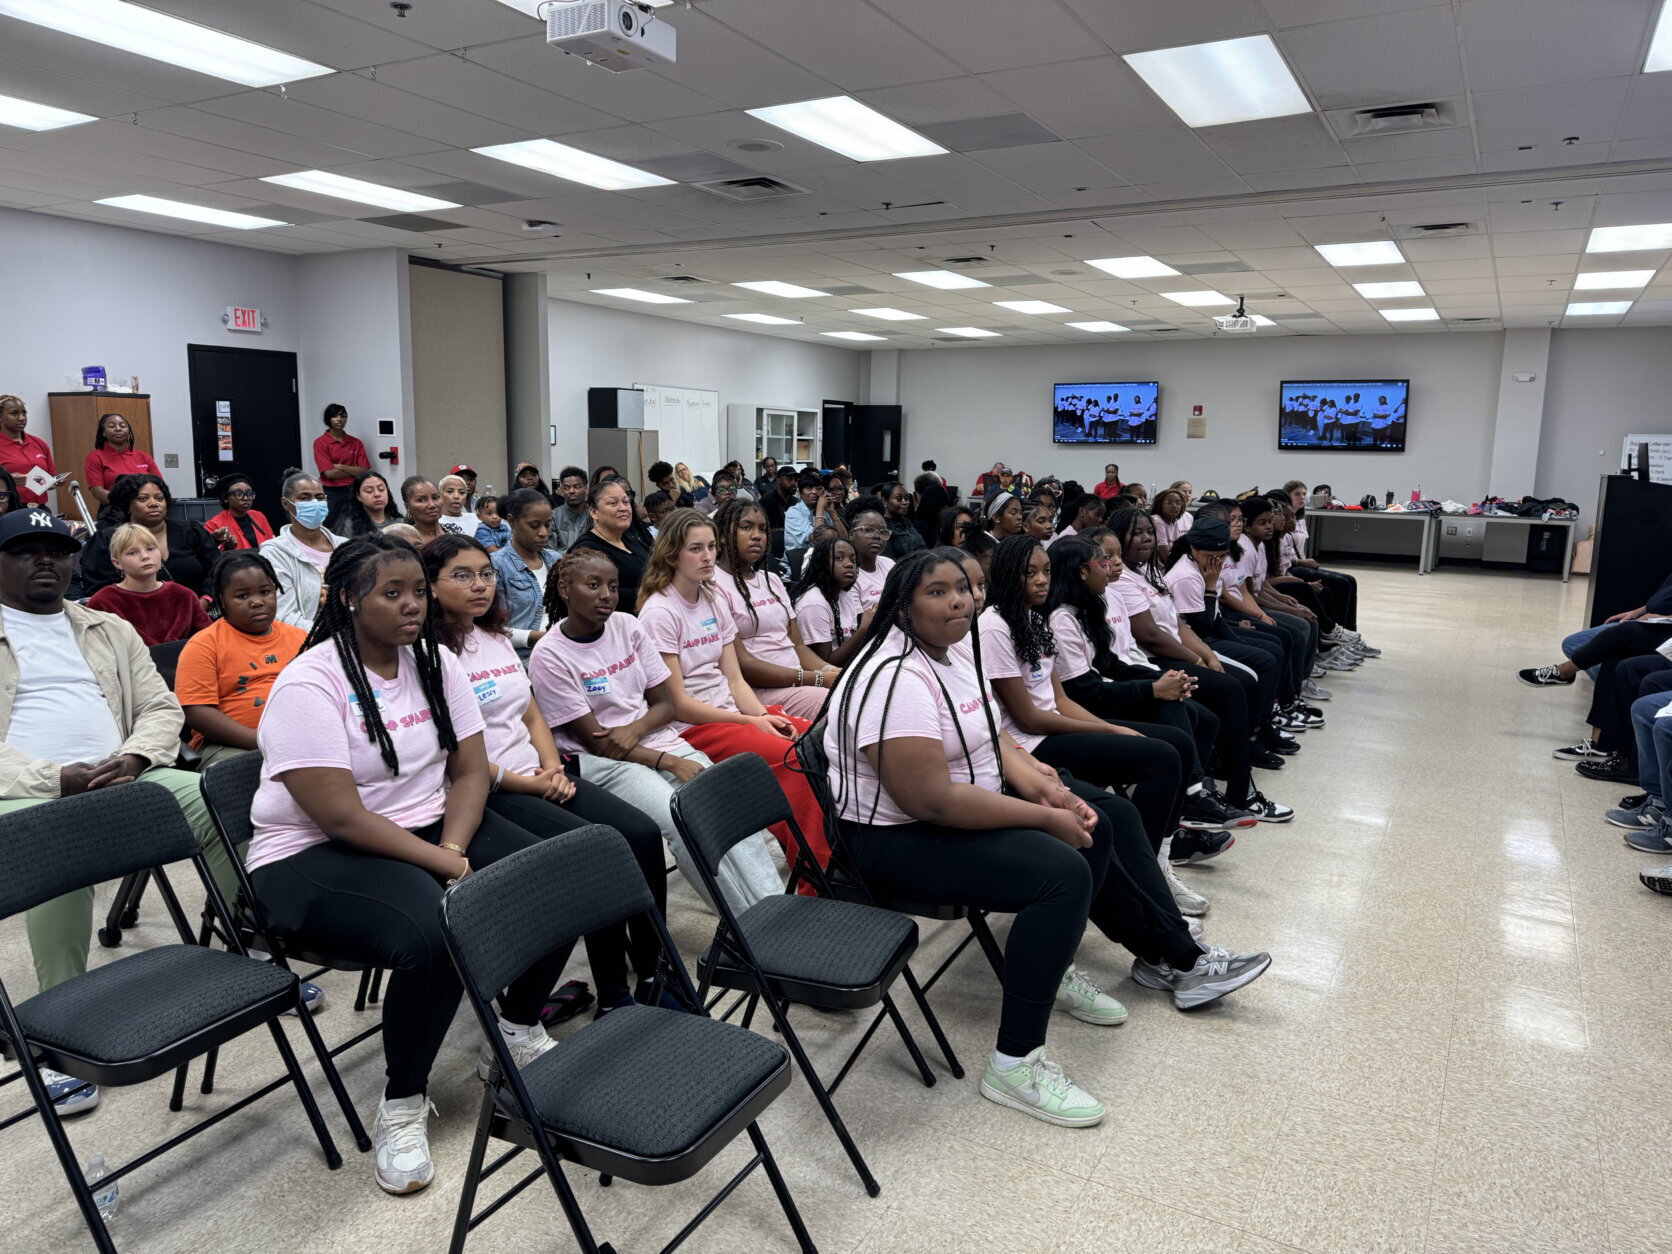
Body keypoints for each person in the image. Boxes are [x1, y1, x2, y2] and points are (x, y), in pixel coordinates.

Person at [246, 534, 568, 1196]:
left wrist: (450, 851)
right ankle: (401, 1100)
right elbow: (339, 816)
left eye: (418, 591)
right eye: (392, 594)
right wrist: (445, 869)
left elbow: (471, 770)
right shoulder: (309, 682)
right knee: (437, 930)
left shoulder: (436, 662)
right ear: (345, 599)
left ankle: (514, 1029)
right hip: (311, 852)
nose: (412, 605)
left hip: (426, 827)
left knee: (558, 880)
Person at [0, 507, 243, 1116]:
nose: (45, 561)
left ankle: (247, 946)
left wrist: (135, 758)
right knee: (55, 841)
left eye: (56, 550)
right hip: (31, 792)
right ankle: (57, 1031)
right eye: (26, 551)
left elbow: (162, 708)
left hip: (127, 772)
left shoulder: (106, 628)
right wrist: (55, 778)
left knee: (230, 799)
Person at [423, 534, 672, 1008]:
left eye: (486, 574)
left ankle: (652, 966)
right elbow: (458, 756)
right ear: (430, 587)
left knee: (639, 833)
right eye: (463, 575)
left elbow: (531, 712)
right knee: (596, 855)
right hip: (490, 788)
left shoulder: (493, 637)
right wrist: (532, 781)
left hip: (540, 772)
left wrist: (553, 765)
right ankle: (615, 998)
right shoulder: (431, 654)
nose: (480, 585)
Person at [532, 548, 784, 911]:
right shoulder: (550, 654)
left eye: (613, 586)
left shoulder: (628, 626)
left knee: (724, 805)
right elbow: (599, 743)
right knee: (678, 819)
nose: (606, 595)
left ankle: (773, 907)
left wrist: (634, 729)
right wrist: (668, 761)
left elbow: (665, 705)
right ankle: (745, 923)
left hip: (649, 738)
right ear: (565, 588)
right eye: (593, 585)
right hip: (606, 764)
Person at [636, 508, 829, 871]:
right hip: (694, 726)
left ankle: (819, 853)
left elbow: (735, 678)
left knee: (818, 744)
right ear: (671, 553)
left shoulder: (712, 598)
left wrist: (759, 716)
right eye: (696, 548)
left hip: (732, 714)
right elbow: (677, 703)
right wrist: (748, 722)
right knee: (793, 759)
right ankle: (814, 871)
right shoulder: (660, 612)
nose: (708, 556)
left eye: (711, 546)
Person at [175, 550, 306, 768]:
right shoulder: (204, 644)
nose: (257, 602)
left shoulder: (300, 637)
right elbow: (196, 711)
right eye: (242, 596)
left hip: (301, 737)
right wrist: (263, 741)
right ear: (222, 601)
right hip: (228, 746)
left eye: (265, 592)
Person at [711, 498, 838, 719]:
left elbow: (796, 644)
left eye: (762, 529)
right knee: (839, 703)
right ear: (722, 535)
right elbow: (743, 665)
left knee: (858, 686)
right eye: (746, 527)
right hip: (758, 690)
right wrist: (816, 679)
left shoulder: (771, 579)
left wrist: (829, 671)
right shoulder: (714, 584)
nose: (757, 535)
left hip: (798, 679)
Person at [80, 474, 219, 601]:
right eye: (143, 499)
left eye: (159, 498)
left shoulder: (191, 532)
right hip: (132, 620)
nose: (153, 503)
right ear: (127, 504)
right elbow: (98, 590)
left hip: (198, 614)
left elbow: (216, 571)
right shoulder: (108, 539)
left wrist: (205, 600)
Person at [85, 521, 210, 645]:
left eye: (150, 549)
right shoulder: (102, 602)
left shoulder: (183, 595)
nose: (145, 556)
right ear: (117, 563)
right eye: (132, 552)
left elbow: (209, 639)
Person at [260, 469, 342, 635]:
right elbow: (283, 614)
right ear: (286, 503)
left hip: (353, 639)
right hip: (305, 641)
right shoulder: (275, 552)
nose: (314, 503)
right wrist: (329, 635)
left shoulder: (344, 545)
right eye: (304, 498)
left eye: (319, 498)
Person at [488, 488, 559, 652]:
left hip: (559, 651)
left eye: (548, 525)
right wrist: (540, 637)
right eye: (534, 525)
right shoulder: (496, 565)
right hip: (521, 656)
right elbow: (493, 630)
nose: (543, 533)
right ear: (512, 521)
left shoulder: (555, 559)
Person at [567, 476, 651, 609]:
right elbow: (596, 595)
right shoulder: (586, 550)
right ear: (594, 512)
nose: (623, 508)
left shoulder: (634, 543)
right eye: (613, 503)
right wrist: (652, 594)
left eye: (626, 502)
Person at [793, 536, 873, 668]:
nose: (849, 564)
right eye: (839, 558)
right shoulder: (813, 604)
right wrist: (864, 628)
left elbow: (849, 642)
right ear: (822, 563)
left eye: (853, 559)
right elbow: (826, 664)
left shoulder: (844, 594)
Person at [82, 411, 161, 507]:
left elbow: (159, 485)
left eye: (123, 426)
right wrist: (130, 505)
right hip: (114, 511)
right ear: (103, 433)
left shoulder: (143, 456)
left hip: (148, 509)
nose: (118, 429)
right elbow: (97, 492)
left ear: (128, 433)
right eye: (111, 426)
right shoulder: (95, 458)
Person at [0, 395, 65, 508]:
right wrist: (8, 480)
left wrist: (53, 482)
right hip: (10, 510)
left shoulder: (39, 443)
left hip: (40, 508)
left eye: (24, 413)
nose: (21, 418)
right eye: (14, 413)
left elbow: (46, 482)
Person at [312, 404, 371, 516]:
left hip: (355, 490)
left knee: (358, 525)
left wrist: (340, 466)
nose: (339, 419)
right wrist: (354, 471)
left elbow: (365, 471)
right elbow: (329, 474)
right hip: (333, 492)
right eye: (335, 416)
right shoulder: (320, 442)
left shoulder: (355, 442)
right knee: (334, 526)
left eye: (342, 416)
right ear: (328, 419)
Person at [202, 472, 275, 551]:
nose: (246, 498)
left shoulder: (259, 516)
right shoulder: (213, 525)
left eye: (249, 493)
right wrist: (227, 547)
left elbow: (272, 544)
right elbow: (208, 555)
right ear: (225, 498)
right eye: (238, 493)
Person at [845, 501, 895, 611]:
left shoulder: (889, 564)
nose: (877, 536)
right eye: (868, 530)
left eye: (882, 532)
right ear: (852, 535)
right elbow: (859, 625)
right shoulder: (847, 574)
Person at [326, 468, 401, 539]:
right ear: (358, 496)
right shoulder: (350, 526)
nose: (377, 494)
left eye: (381, 489)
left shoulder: (399, 522)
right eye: (369, 491)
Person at [784, 469, 844, 550]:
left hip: (821, 558)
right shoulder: (793, 512)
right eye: (809, 489)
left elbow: (844, 540)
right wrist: (820, 508)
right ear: (800, 493)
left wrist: (832, 512)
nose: (814, 492)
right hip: (798, 560)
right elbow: (818, 539)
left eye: (818, 488)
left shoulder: (825, 511)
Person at [875, 479, 925, 560]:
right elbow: (888, 560)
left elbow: (922, 547)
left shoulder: (905, 521)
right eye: (899, 498)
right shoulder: (881, 525)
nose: (905, 502)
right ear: (885, 501)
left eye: (906, 498)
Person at [399, 476, 446, 546]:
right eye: (421, 500)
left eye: (435, 498)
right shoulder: (405, 541)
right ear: (407, 507)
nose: (432, 505)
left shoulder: (454, 531)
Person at [551, 465, 590, 549]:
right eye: (567, 488)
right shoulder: (553, 517)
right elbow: (549, 553)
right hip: (561, 561)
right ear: (562, 491)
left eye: (576, 487)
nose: (571, 491)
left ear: (586, 489)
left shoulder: (594, 516)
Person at [1151, 488, 1190, 562]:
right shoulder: (1157, 521)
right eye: (1169, 502)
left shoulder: (1174, 522)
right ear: (1160, 504)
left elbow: (1177, 550)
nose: (1174, 506)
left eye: (1178, 503)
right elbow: (1164, 556)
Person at [758, 463, 800, 530]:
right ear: (778, 480)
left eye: (796, 480)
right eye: (789, 479)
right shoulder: (767, 501)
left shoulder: (796, 502)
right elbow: (770, 531)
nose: (793, 483)